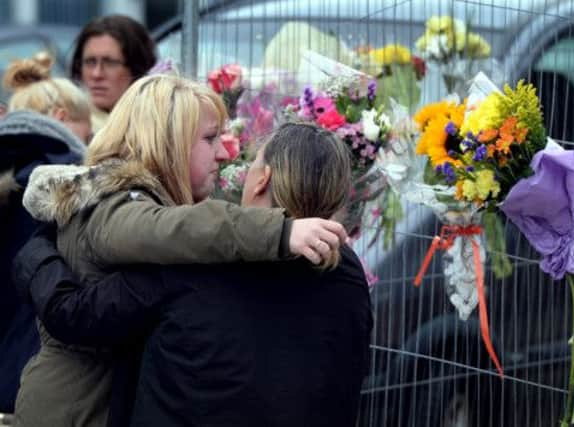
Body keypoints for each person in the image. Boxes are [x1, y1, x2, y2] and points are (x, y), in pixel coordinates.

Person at [14, 75, 346, 427]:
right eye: (209, 138)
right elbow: (172, 230)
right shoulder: (118, 206)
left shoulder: (127, 201)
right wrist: (281, 231)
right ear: (166, 142)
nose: (224, 152)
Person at [0, 53, 90, 416]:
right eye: (88, 125)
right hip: (29, 372)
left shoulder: (9, 179)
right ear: (62, 119)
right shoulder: (58, 186)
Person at [70, 14, 156, 132]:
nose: (97, 74)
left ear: (136, 69)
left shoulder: (154, 130)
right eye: (90, 62)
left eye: (110, 63)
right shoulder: (66, 126)